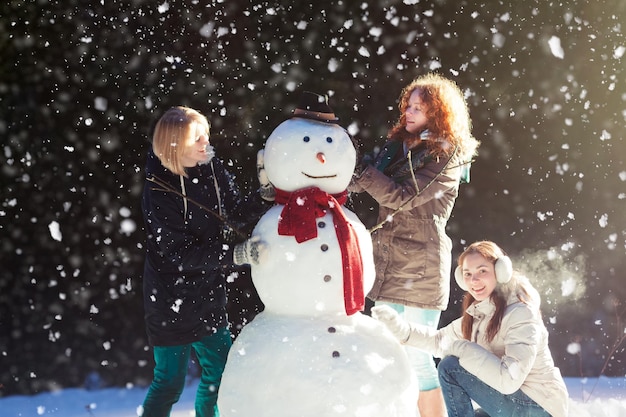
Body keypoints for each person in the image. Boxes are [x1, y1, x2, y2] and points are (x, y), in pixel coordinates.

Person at [350, 73, 480, 416]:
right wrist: (333, 168)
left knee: (419, 358)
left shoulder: (447, 156)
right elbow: (363, 184)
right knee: (385, 354)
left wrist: (361, 171)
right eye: (408, 105)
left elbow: (403, 197)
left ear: (437, 114)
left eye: (418, 108)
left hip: (420, 265)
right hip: (389, 261)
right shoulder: (398, 147)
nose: (408, 112)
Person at [140, 106, 268, 417]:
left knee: (221, 376)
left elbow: (234, 211)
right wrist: (235, 255)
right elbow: (176, 255)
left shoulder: (210, 167)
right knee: (169, 382)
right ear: (174, 145)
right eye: (197, 139)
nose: (206, 145)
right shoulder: (158, 190)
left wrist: (264, 195)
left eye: (205, 136)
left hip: (207, 293)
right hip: (169, 300)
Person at [371, 241, 569, 417]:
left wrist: (463, 349)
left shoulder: (521, 313)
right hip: (518, 404)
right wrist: (401, 328)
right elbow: (439, 341)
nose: (474, 280)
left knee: (450, 367)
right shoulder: (479, 314)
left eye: (482, 271)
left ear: (501, 272)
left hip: (539, 407)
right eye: (468, 274)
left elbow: (509, 380)